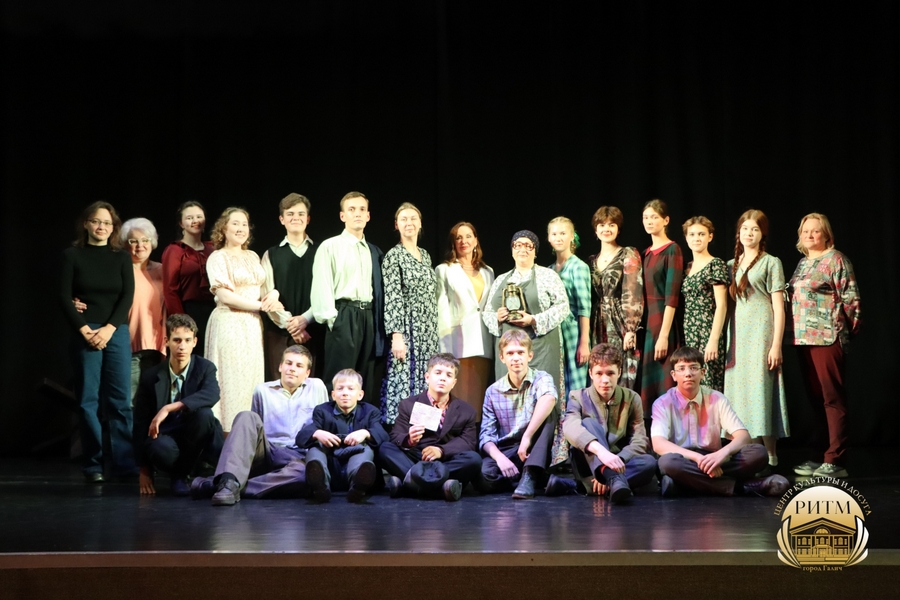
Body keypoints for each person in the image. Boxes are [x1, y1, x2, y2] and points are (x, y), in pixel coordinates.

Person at [192, 345, 329, 505]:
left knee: (303, 476)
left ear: (307, 373)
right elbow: (254, 430)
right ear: (280, 366)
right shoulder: (262, 391)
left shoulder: (317, 387)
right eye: (288, 363)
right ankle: (228, 481)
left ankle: (222, 486)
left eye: (299, 366)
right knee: (247, 416)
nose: (292, 369)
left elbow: (325, 421)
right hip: (269, 451)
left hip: (300, 455)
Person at [60, 201, 136, 483]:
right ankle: (93, 464)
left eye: (107, 222)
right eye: (96, 221)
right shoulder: (72, 255)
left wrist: (109, 329)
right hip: (85, 332)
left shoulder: (121, 257)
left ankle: (124, 464)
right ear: (86, 224)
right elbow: (63, 297)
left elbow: (127, 296)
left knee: (120, 401)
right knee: (87, 401)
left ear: (113, 227)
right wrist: (85, 330)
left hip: (115, 331)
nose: (101, 227)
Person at [651, 347, 789, 497]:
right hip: (683, 459)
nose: (688, 373)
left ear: (703, 373)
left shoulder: (716, 398)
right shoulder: (663, 403)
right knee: (668, 463)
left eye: (693, 368)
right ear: (673, 375)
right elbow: (659, 444)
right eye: (681, 369)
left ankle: (685, 484)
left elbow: (743, 436)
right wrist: (698, 458)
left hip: (714, 459)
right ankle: (740, 487)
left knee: (758, 453)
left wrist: (721, 454)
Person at [790, 213, 861, 479]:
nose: (810, 235)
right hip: (803, 339)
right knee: (816, 398)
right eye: (805, 231)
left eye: (816, 231)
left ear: (826, 234)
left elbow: (851, 300)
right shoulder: (803, 262)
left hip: (827, 337)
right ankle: (821, 455)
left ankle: (836, 459)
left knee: (832, 397)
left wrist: (845, 333)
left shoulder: (836, 259)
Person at [74, 217, 167, 402]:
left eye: (145, 240)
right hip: (125, 343)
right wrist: (74, 301)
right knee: (126, 400)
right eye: (133, 241)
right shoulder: (117, 269)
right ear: (125, 244)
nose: (140, 246)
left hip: (156, 346)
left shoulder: (163, 270)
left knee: (152, 401)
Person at [205, 207, 282, 432]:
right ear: (224, 228)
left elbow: (264, 287)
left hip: (252, 326)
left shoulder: (252, 256)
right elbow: (225, 296)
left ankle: (247, 436)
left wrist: (274, 294)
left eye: (244, 224)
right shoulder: (218, 257)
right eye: (235, 223)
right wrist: (261, 306)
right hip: (229, 323)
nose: (240, 228)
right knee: (230, 383)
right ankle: (225, 437)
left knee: (250, 383)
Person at [724, 210, 789, 467]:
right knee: (740, 391)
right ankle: (748, 452)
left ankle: (770, 454)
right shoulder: (730, 264)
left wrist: (776, 345)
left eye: (755, 229)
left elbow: (779, 307)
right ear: (738, 232)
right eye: (745, 228)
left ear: (762, 234)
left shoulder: (771, 262)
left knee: (762, 389)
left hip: (762, 332)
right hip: (738, 333)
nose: (749, 233)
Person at [132, 314, 224, 496]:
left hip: (197, 432)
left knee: (205, 415)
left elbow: (212, 394)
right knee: (157, 446)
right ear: (166, 341)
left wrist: (169, 407)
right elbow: (141, 421)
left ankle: (192, 474)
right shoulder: (151, 375)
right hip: (168, 436)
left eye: (187, 340)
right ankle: (179, 475)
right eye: (177, 340)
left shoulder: (205, 367)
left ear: (195, 342)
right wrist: (144, 470)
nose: (182, 346)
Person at [479, 330, 574, 499]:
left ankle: (530, 474)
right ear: (502, 358)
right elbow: (486, 435)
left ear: (530, 356)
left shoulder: (541, 378)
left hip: (534, 446)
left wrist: (527, 437)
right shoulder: (493, 391)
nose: (516, 358)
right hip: (508, 449)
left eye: (520, 352)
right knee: (484, 477)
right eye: (510, 353)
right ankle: (542, 480)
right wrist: (500, 458)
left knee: (549, 410)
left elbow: (549, 399)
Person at [311, 191, 385, 403]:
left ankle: (360, 422)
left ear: (368, 216)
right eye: (351, 210)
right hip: (344, 314)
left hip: (368, 315)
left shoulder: (374, 251)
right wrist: (332, 319)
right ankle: (334, 421)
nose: (357, 214)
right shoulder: (330, 246)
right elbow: (322, 284)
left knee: (365, 378)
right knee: (340, 377)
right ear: (342, 216)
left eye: (362, 209)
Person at [380, 354, 482, 502]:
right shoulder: (408, 405)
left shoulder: (467, 411)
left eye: (448, 375)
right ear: (427, 377)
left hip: (446, 461)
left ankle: (411, 485)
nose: (443, 378)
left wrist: (441, 450)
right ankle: (442, 489)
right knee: (385, 449)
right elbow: (396, 435)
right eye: (438, 373)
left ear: (454, 383)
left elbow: (468, 441)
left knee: (474, 459)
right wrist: (409, 439)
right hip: (417, 458)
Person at [564, 344, 657, 504]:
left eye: (610, 373)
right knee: (587, 423)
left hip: (619, 460)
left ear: (619, 372)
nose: (605, 380)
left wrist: (613, 462)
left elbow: (640, 440)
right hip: (588, 462)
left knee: (649, 463)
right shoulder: (577, 396)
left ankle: (596, 483)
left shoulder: (631, 398)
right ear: (590, 373)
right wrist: (601, 453)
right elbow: (569, 426)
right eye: (599, 373)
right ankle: (613, 481)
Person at [483, 230, 570, 400]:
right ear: (512, 250)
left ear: (535, 251)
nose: (522, 249)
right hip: (509, 349)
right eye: (518, 245)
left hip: (542, 347)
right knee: (510, 397)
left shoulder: (548, 275)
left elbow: (563, 306)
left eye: (528, 246)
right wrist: (497, 318)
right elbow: (487, 313)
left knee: (542, 394)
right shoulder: (500, 279)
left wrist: (534, 320)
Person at [381, 202, 439, 426]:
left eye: (413, 218)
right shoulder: (393, 256)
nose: (409, 223)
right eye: (404, 219)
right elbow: (392, 297)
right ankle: (401, 433)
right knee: (405, 379)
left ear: (420, 223)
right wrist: (397, 336)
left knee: (427, 380)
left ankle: (425, 431)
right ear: (396, 225)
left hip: (427, 332)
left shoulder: (425, 255)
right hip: (407, 330)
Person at [298, 369, 388, 503]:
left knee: (365, 448)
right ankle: (320, 487)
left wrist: (365, 433)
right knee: (315, 448)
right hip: (331, 466)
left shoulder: (370, 411)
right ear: (333, 395)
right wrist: (317, 433)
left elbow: (384, 436)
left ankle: (358, 487)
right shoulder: (322, 410)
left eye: (351, 389)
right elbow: (301, 437)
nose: (345, 393)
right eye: (340, 389)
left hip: (354, 461)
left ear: (360, 395)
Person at [261, 193, 323, 381]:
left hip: (314, 331)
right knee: (280, 386)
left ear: (308, 219)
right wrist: (292, 325)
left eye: (301, 214)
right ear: (282, 219)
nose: (296, 218)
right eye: (290, 214)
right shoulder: (271, 254)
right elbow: (266, 295)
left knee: (312, 385)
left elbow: (327, 293)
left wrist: (305, 320)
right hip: (279, 331)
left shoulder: (322, 252)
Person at [435, 221, 495, 418]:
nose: (464, 241)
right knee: (457, 395)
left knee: (477, 397)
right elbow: (441, 308)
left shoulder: (488, 271)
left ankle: (473, 433)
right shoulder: (444, 269)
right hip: (457, 340)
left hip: (482, 341)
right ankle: (453, 432)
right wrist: (444, 344)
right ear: (453, 243)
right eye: (458, 237)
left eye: (468, 236)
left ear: (475, 240)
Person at [588, 206, 643, 389]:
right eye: (602, 225)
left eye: (612, 224)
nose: (606, 229)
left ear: (618, 229)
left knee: (619, 368)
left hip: (619, 320)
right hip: (596, 322)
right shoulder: (591, 261)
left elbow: (633, 291)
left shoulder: (627, 253)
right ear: (596, 230)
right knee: (599, 369)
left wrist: (631, 329)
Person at [639, 199, 683, 417]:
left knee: (664, 380)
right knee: (648, 382)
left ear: (666, 220)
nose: (649, 221)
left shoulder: (672, 250)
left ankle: (671, 429)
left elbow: (672, 296)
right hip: (647, 323)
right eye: (646, 217)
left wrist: (664, 335)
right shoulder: (645, 253)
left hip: (662, 321)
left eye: (654, 217)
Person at [161, 201, 216, 356]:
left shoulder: (213, 248)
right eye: (189, 218)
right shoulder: (175, 250)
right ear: (181, 223)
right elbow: (170, 290)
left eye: (199, 217)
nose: (195, 221)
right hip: (190, 311)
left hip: (214, 311)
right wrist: (181, 321)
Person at [547, 216, 592, 401]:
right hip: (554, 334)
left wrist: (584, 342)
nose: (558, 238)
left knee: (576, 387)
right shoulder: (549, 270)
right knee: (558, 384)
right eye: (554, 234)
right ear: (548, 238)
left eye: (563, 233)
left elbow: (584, 307)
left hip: (573, 331)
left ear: (572, 236)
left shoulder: (578, 267)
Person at [682, 216, 728, 392]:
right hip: (690, 332)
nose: (696, 238)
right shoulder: (688, 267)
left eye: (701, 234)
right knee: (692, 384)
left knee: (708, 383)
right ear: (686, 238)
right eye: (692, 234)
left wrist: (713, 340)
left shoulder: (715, 264)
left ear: (710, 236)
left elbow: (722, 305)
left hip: (707, 330)